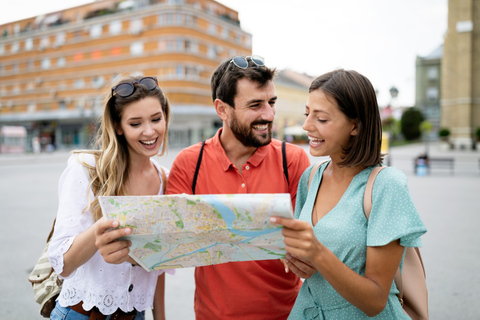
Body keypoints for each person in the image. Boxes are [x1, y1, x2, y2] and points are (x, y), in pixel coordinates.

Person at [96, 55, 311, 319]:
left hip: (288, 314)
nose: (268, 114)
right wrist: (121, 251)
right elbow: (165, 243)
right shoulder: (190, 163)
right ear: (222, 109)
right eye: (255, 105)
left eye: (271, 102)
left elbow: (311, 245)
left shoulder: (293, 160)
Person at [271, 69, 427, 319]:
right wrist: (295, 259)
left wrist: (317, 252)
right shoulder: (310, 178)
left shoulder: (386, 186)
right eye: (307, 113)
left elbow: (375, 300)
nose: (306, 126)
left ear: (355, 126)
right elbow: (312, 268)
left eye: (321, 119)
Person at [47, 75, 172, 320]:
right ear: (118, 126)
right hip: (80, 314)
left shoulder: (166, 179)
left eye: (156, 119)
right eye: (135, 123)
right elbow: (62, 264)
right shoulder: (86, 168)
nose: (150, 131)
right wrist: (98, 234)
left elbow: (159, 267)